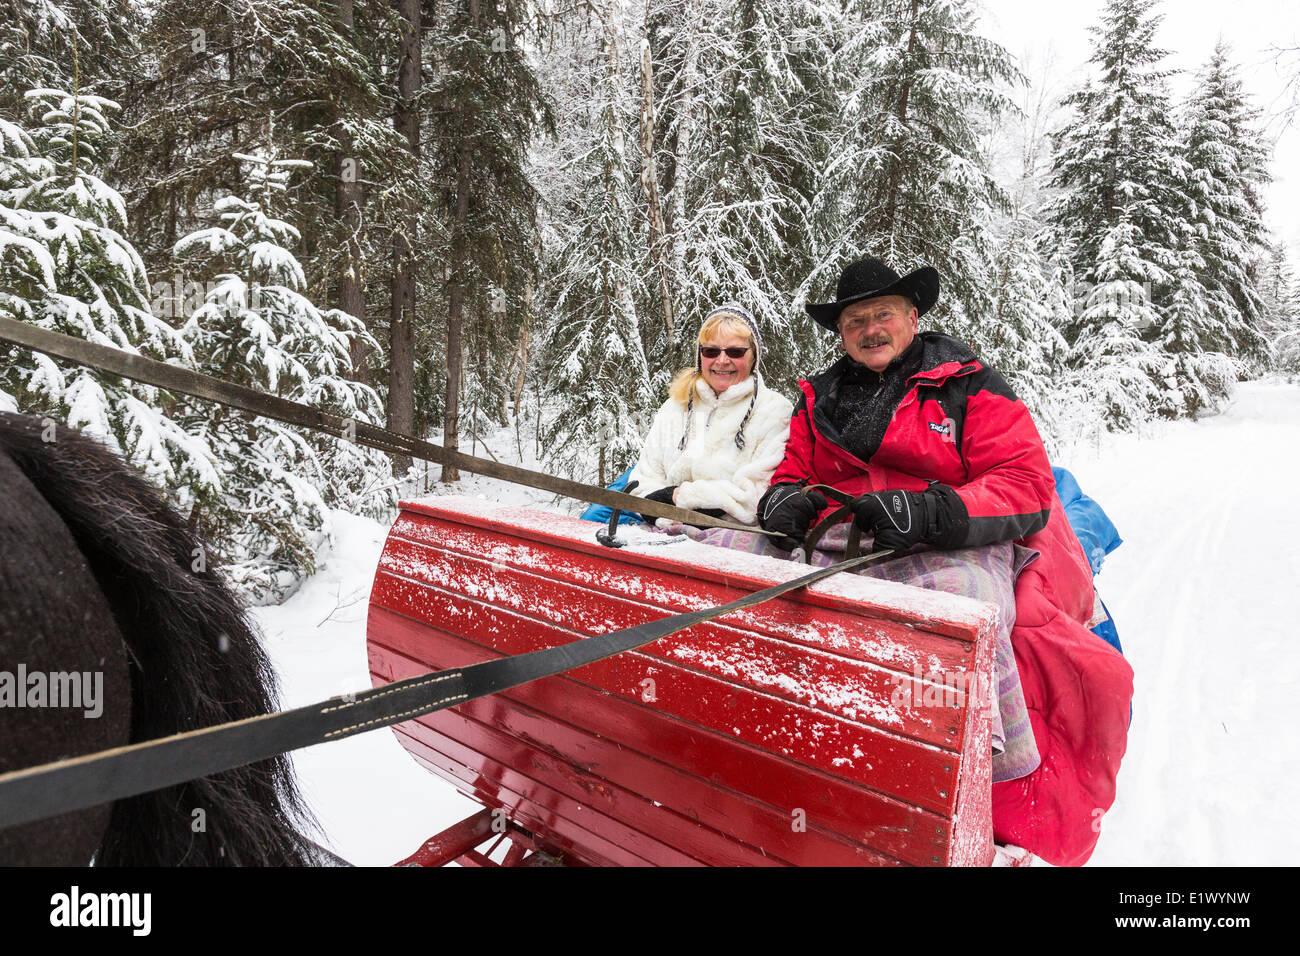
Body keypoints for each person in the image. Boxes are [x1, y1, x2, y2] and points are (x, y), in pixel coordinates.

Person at [746, 255, 1134, 866]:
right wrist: (784, 498)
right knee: (725, 565)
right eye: (855, 322)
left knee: (957, 616)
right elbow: (795, 469)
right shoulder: (818, 398)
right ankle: (755, 723)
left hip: (952, 538)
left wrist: (934, 510)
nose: (870, 330)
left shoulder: (968, 384)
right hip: (849, 535)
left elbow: (1026, 483)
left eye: (883, 315)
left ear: (912, 316)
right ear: (841, 333)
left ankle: (946, 767)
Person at [627, 303, 793, 528]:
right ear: (700, 356)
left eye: (735, 352)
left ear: (753, 357)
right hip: (659, 532)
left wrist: (680, 497)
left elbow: (755, 497)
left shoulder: (774, 411)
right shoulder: (676, 407)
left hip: (731, 540)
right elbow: (643, 483)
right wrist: (666, 512)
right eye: (711, 351)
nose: (722, 361)